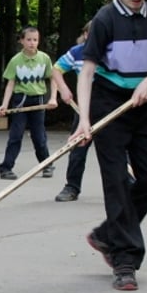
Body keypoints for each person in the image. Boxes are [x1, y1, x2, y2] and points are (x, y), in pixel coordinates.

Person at [75, 0, 147, 291]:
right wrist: (83, 121)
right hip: (108, 105)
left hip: (140, 106)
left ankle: (106, 234)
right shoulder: (105, 19)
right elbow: (86, 71)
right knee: (117, 182)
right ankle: (125, 260)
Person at [0, 25, 57, 180]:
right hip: (21, 100)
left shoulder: (44, 58)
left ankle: (47, 164)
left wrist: (53, 98)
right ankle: (6, 168)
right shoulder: (15, 61)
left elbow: (53, 78)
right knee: (16, 135)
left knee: (39, 136)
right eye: (28, 40)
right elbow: (10, 84)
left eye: (35, 40)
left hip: (38, 100)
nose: (32, 43)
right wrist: (4, 104)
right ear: (21, 41)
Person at [52, 22, 92, 201]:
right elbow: (56, 69)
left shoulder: (111, 51)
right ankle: (72, 187)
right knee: (77, 148)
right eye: (92, 33)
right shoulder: (77, 52)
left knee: (119, 149)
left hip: (108, 107)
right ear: (85, 34)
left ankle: (129, 185)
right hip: (83, 108)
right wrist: (63, 89)